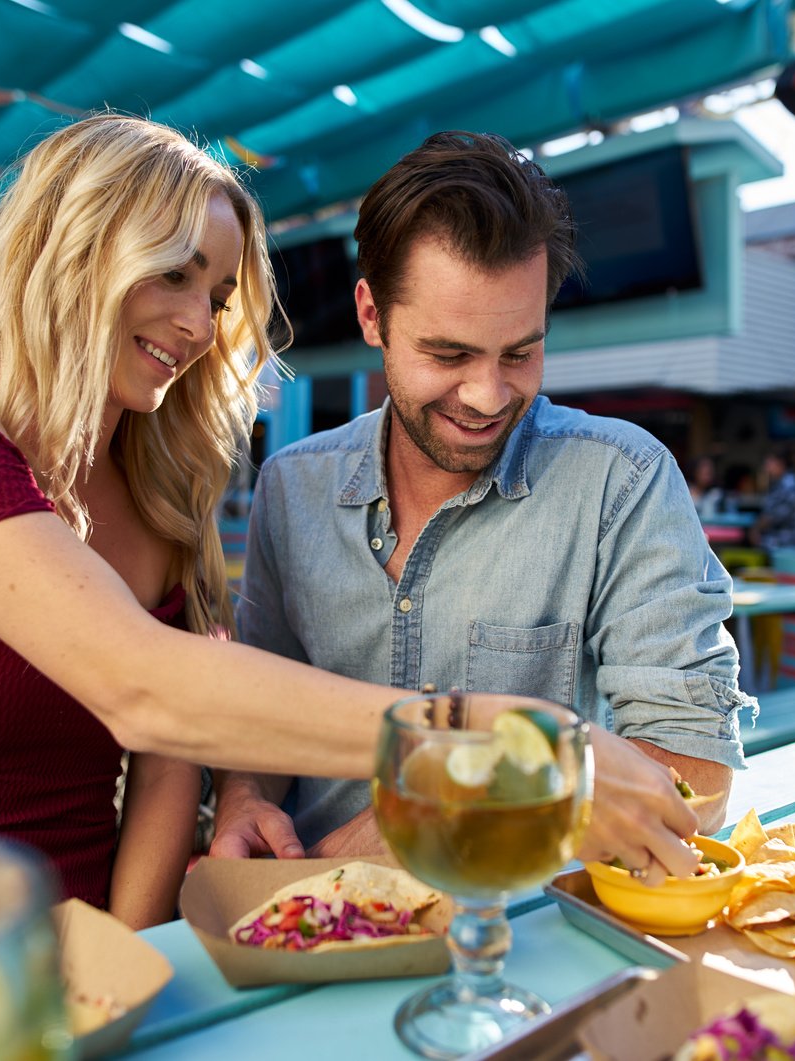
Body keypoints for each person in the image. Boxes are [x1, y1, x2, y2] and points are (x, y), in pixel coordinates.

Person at [0, 115, 701, 928]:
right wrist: (497, 741)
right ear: (66, 256)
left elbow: (168, 761)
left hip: (73, 961)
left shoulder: (160, 495)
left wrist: (131, 956)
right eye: (171, 275)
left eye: (221, 296)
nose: (198, 325)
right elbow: (148, 686)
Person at [213, 130, 751, 863]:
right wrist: (245, 798)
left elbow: (695, 775)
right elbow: (262, 712)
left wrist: (399, 832)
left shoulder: (619, 481)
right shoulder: (291, 486)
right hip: (299, 919)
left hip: (521, 934)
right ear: (371, 315)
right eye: (449, 354)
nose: (488, 395)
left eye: (519, 351)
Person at [748, 446, 795, 552]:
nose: (766, 468)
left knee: (750, 540)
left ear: (780, 463)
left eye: (769, 463)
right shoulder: (780, 482)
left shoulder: (789, 484)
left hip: (790, 539)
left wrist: (755, 530)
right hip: (780, 535)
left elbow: (772, 517)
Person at [686, 455, 725, 520]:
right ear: (695, 472)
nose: (707, 477)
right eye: (704, 473)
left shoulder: (717, 493)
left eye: (709, 473)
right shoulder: (685, 491)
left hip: (713, 528)